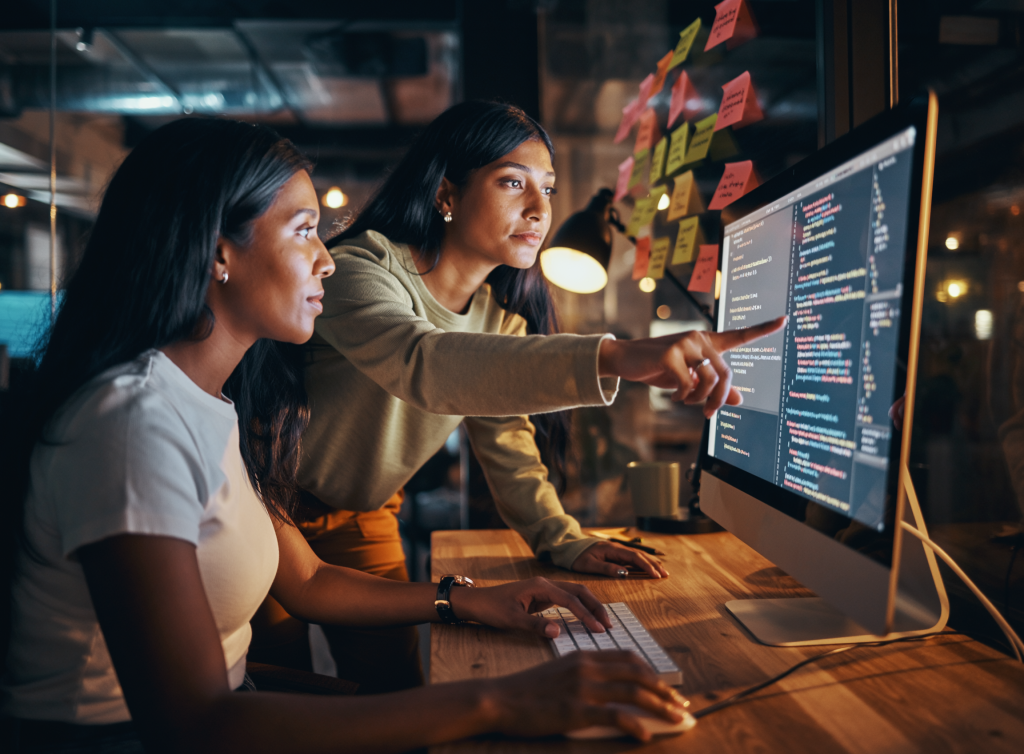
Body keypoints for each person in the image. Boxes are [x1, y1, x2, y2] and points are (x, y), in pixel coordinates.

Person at [0, 118, 689, 753]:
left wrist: (469, 595)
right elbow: (198, 723)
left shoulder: (204, 404)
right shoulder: (135, 423)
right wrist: (500, 700)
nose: (326, 259)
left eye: (548, 188)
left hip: (316, 573)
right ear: (218, 253)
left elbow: (309, 580)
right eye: (304, 230)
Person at [286, 100, 787, 690]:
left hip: (364, 515)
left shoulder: (500, 321)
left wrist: (563, 539)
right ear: (446, 194)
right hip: (269, 503)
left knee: (393, 693)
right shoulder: (359, 268)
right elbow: (424, 363)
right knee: (268, 686)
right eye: (512, 182)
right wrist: (614, 355)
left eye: (547, 189)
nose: (539, 209)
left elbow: (508, 445)